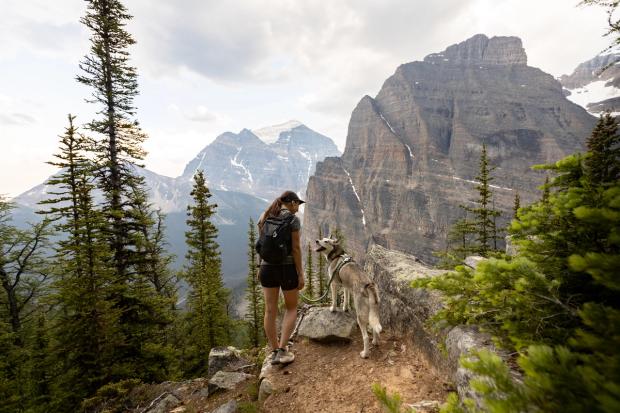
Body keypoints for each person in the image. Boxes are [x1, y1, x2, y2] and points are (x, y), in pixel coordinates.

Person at [257, 190, 305, 365]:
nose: (298, 209)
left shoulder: (265, 215)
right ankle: (283, 350)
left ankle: (274, 349)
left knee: (270, 310)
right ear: (292, 203)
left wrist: (259, 265)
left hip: (266, 268)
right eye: (298, 204)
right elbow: (296, 249)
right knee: (291, 308)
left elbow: (261, 243)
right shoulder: (292, 220)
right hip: (287, 268)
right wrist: (300, 273)